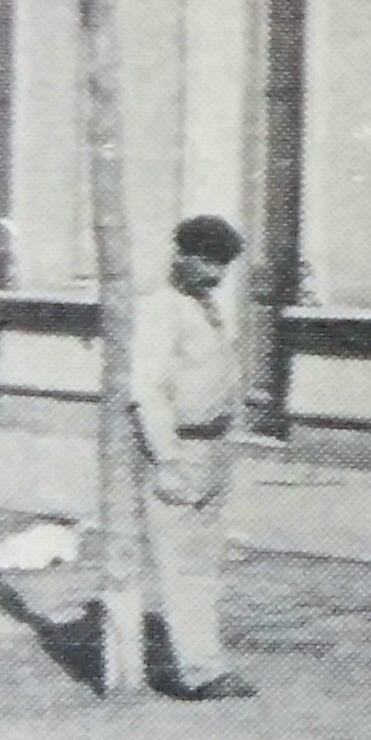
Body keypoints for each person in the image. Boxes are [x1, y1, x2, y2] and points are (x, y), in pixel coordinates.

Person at [131, 212, 254, 700]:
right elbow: (146, 388)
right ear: (179, 255)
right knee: (183, 563)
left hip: (216, 445)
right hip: (180, 446)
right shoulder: (162, 308)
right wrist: (166, 457)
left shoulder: (207, 308)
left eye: (222, 264)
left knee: (206, 560)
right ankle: (199, 671)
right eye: (205, 260)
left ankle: (206, 660)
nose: (215, 273)